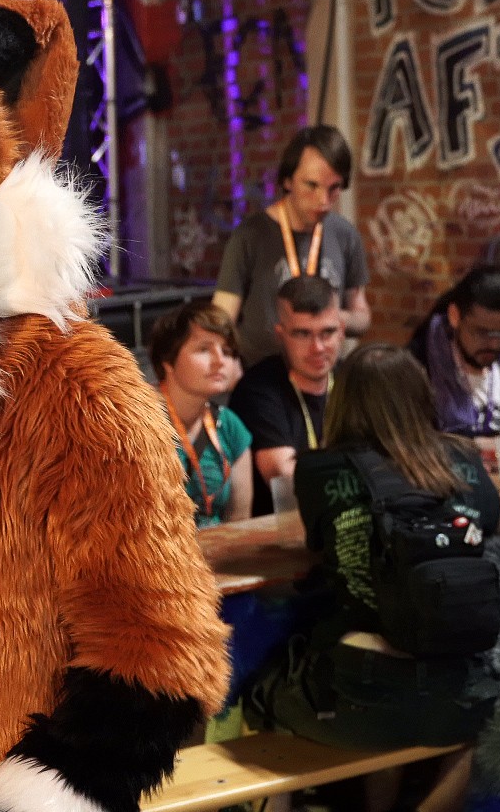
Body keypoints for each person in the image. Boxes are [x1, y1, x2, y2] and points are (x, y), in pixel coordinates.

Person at [244, 344, 500, 812]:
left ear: (347, 401)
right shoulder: (465, 460)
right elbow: (491, 525)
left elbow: (318, 546)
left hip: (356, 702)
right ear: (421, 397)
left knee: (260, 687)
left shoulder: (320, 469)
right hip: (460, 700)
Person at [214, 126, 371, 367]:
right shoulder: (250, 236)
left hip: (322, 372)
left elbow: (362, 316)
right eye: (311, 185)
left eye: (334, 188)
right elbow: (221, 319)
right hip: (262, 372)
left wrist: (331, 318)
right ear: (288, 181)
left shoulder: (345, 235)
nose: (323, 201)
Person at [230, 275, 344, 516]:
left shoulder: (353, 378)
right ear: (280, 335)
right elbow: (283, 476)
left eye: (328, 332)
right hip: (280, 528)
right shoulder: (257, 388)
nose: (318, 347)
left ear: (341, 331)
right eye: (302, 334)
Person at [407, 264, 500, 437]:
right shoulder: (419, 363)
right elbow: (409, 440)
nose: (494, 344)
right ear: (455, 316)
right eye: (482, 333)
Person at [148, 299, 254, 526]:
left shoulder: (229, 425)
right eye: (204, 349)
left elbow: (239, 523)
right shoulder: (138, 422)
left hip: (218, 546)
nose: (220, 361)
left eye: (227, 351)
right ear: (168, 360)